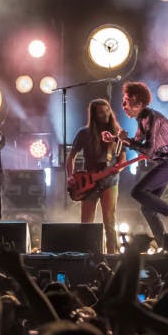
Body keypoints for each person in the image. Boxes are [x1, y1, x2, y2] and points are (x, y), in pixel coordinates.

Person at [103, 82, 168, 248]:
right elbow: (136, 142)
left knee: (138, 192)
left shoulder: (151, 118)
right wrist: (115, 139)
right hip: (166, 164)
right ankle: (166, 246)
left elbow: (147, 151)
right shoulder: (142, 119)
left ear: (138, 104)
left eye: (126, 101)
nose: (123, 105)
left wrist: (125, 140)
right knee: (147, 209)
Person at [65, 99, 122, 254]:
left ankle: (112, 257)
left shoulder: (117, 133)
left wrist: (117, 169)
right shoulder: (84, 133)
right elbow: (71, 157)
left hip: (109, 182)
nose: (105, 114)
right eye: (101, 112)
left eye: (107, 110)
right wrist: (70, 176)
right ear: (94, 115)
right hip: (88, 182)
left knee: (109, 221)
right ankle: (86, 256)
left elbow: (122, 158)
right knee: (86, 223)